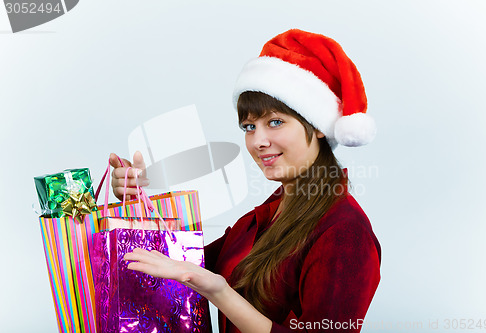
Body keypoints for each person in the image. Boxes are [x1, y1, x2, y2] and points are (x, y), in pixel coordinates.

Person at [111, 29, 381, 333]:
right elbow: (177, 265)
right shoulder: (267, 215)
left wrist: (220, 292)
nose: (258, 141)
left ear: (317, 126)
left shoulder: (344, 232)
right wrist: (135, 202)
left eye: (275, 122)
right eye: (249, 126)